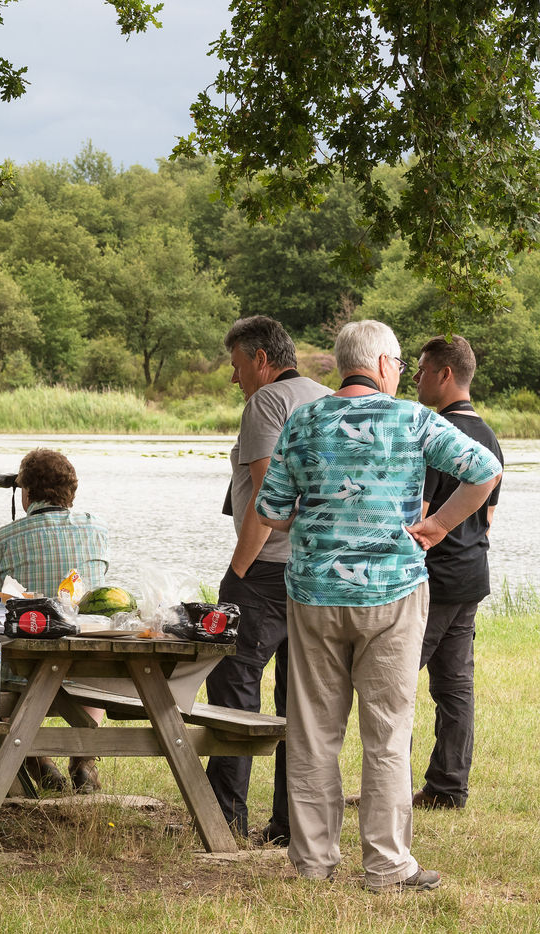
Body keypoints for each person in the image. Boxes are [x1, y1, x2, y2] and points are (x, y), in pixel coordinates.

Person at [255, 320, 501, 892]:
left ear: (345, 365)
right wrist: (438, 525)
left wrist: (317, 515)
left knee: (313, 729)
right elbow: (484, 471)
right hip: (392, 591)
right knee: (387, 730)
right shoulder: (414, 420)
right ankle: (387, 866)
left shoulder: (303, 420)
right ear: (387, 365)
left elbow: (269, 510)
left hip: (314, 593)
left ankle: (313, 863)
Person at [208, 316, 330, 846]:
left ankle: (223, 819)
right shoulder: (327, 397)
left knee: (233, 692)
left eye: (237, 366)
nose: (234, 379)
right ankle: (288, 825)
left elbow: (266, 498)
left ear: (261, 358)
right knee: (297, 703)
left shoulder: (266, 404)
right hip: (314, 571)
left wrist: (236, 572)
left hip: (264, 572)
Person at [0, 447, 108, 793]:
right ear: (71, 492)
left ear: (27, 493)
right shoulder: (97, 530)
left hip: (25, 667)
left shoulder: (1, 539)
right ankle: (84, 761)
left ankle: (37, 760)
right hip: (88, 666)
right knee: (90, 680)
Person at [410, 335, 502, 810]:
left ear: (445, 375)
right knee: (454, 687)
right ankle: (448, 787)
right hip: (472, 575)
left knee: (398, 682)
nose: (417, 377)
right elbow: (487, 517)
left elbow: (419, 512)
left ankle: (391, 790)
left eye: (423, 369)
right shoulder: (489, 437)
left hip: (435, 577)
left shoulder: (433, 434)